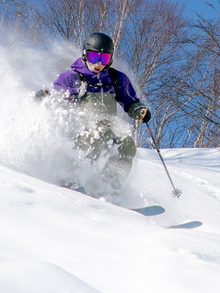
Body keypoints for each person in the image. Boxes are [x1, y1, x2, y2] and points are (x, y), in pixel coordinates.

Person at [40, 32, 152, 192]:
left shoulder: (115, 79)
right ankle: (71, 178)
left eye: (104, 58)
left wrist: (139, 110)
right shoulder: (73, 78)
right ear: (85, 55)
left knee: (127, 144)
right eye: (94, 57)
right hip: (79, 129)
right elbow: (56, 96)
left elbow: (130, 101)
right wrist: (44, 96)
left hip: (107, 127)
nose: (99, 63)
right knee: (101, 135)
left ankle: (110, 185)